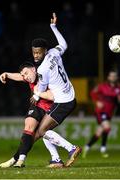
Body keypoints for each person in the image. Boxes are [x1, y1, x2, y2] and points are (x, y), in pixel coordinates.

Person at [0, 62, 79, 168]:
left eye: (27, 73)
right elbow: (20, 76)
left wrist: (38, 93)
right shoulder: (29, 76)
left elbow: (52, 96)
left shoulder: (45, 76)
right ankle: (56, 159)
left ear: (33, 69)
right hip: (38, 107)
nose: (25, 77)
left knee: (40, 133)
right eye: (24, 75)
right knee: (35, 130)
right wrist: (7, 74)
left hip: (51, 108)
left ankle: (16, 159)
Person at [30, 12, 82, 167]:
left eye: (39, 52)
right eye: (34, 52)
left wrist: (36, 95)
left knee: (41, 131)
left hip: (63, 101)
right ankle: (56, 160)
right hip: (69, 96)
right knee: (42, 130)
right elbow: (64, 44)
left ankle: (71, 149)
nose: (36, 55)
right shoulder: (54, 52)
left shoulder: (43, 69)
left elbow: (42, 89)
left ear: (45, 50)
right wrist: (53, 27)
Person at [82, 70, 120, 158]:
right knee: (107, 127)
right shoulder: (102, 86)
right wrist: (97, 101)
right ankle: (103, 149)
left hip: (110, 113)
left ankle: (86, 148)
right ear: (108, 77)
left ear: (117, 78)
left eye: (114, 76)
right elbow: (92, 93)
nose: (113, 77)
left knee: (99, 132)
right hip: (101, 111)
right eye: (111, 76)